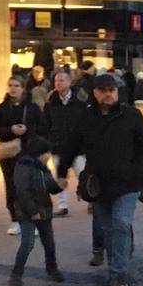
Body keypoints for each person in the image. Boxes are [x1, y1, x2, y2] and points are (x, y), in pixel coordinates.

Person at [55, 73, 143, 286]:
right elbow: (71, 145)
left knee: (120, 222)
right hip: (98, 184)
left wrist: (140, 174)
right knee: (108, 229)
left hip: (127, 183)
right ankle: (118, 264)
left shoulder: (131, 115)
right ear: (95, 92)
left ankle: (119, 274)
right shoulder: (87, 117)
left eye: (112, 90)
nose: (108, 94)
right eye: (103, 90)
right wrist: (62, 172)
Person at [0, 75, 45, 237]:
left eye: (16, 86)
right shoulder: (1, 108)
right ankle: (15, 219)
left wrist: (27, 131)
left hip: (29, 152)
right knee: (11, 187)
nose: (13, 89)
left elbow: (43, 128)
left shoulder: (32, 108)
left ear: (23, 88)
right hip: (8, 154)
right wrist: (10, 130)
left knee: (29, 187)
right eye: (10, 85)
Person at [8, 136, 65, 286]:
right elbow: (22, 192)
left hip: (44, 210)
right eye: (47, 153)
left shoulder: (43, 168)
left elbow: (50, 186)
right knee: (27, 243)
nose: (49, 156)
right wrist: (33, 211)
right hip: (27, 212)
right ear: (39, 153)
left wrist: (59, 186)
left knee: (49, 242)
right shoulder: (23, 167)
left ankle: (52, 269)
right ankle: (16, 274)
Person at [44, 69, 88, 217]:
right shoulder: (51, 102)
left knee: (82, 173)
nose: (58, 83)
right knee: (59, 176)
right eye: (56, 81)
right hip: (58, 145)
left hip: (78, 147)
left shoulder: (80, 101)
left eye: (62, 80)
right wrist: (48, 142)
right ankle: (63, 206)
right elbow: (46, 124)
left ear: (70, 82)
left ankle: (91, 200)